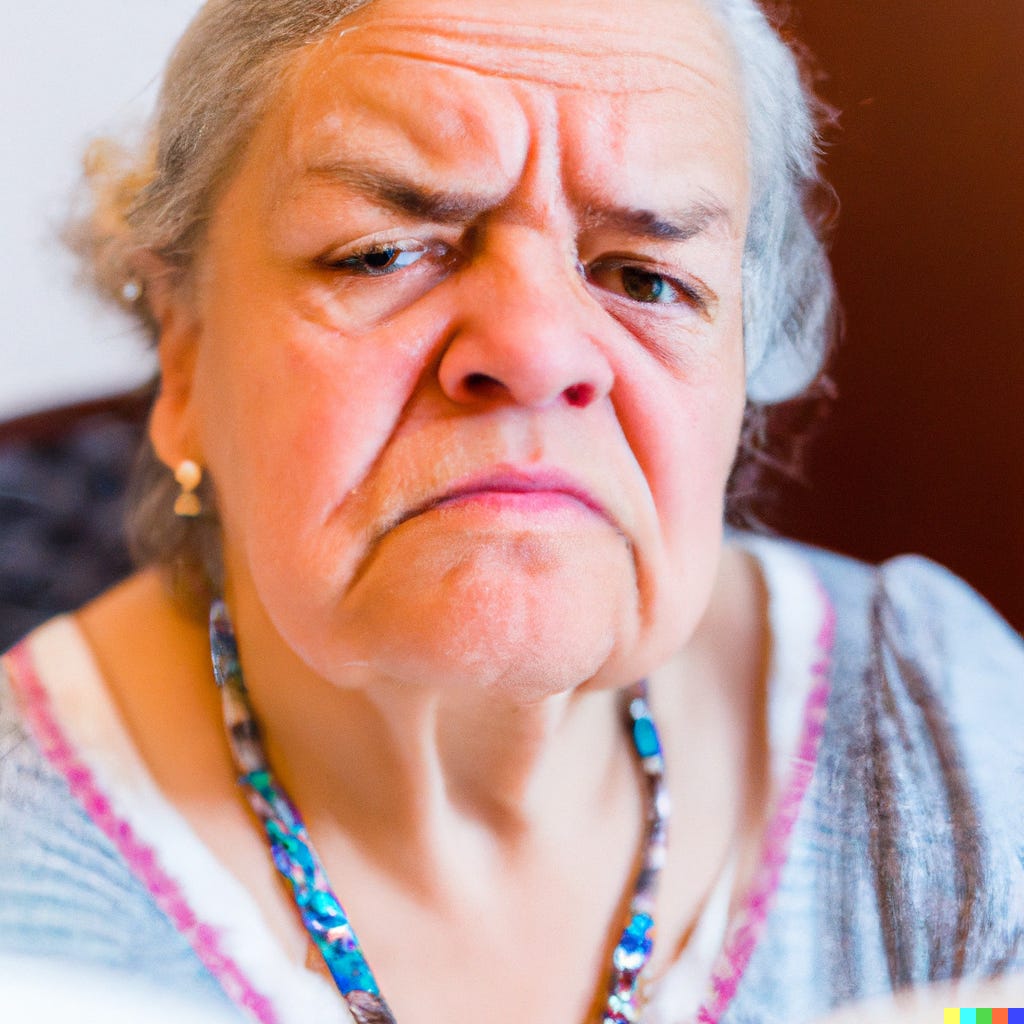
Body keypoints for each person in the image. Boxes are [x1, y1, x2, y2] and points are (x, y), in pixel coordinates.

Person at [1, 1, 1022, 1022]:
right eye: (382, 252)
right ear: (184, 349)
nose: (535, 352)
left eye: (645, 278)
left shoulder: (941, 723)